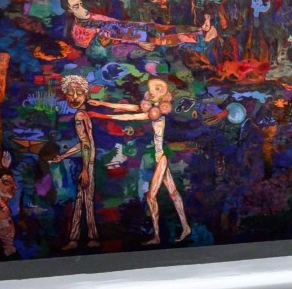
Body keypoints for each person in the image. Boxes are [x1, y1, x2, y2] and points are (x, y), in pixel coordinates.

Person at [94, 76, 191, 244]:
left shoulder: (157, 113)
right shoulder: (152, 109)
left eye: (157, 89)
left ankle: (157, 236)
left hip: (160, 158)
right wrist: (102, 104)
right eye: (151, 88)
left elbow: (129, 117)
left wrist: (102, 115)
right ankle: (184, 227)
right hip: (156, 157)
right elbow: (128, 108)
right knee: (173, 193)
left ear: (165, 94)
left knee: (151, 196)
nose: (152, 92)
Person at [53, 74, 101, 249]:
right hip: (87, 163)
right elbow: (84, 144)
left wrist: (86, 170)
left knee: (85, 201)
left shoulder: (80, 116)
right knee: (81, 200)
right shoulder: (84, 114)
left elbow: (86, 144)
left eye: (79, 93)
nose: (74, 97)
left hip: (87, 165)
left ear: (86, 94)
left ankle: (91, 237)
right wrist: (63, 156)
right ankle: (76, 239)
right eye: (70, 93)